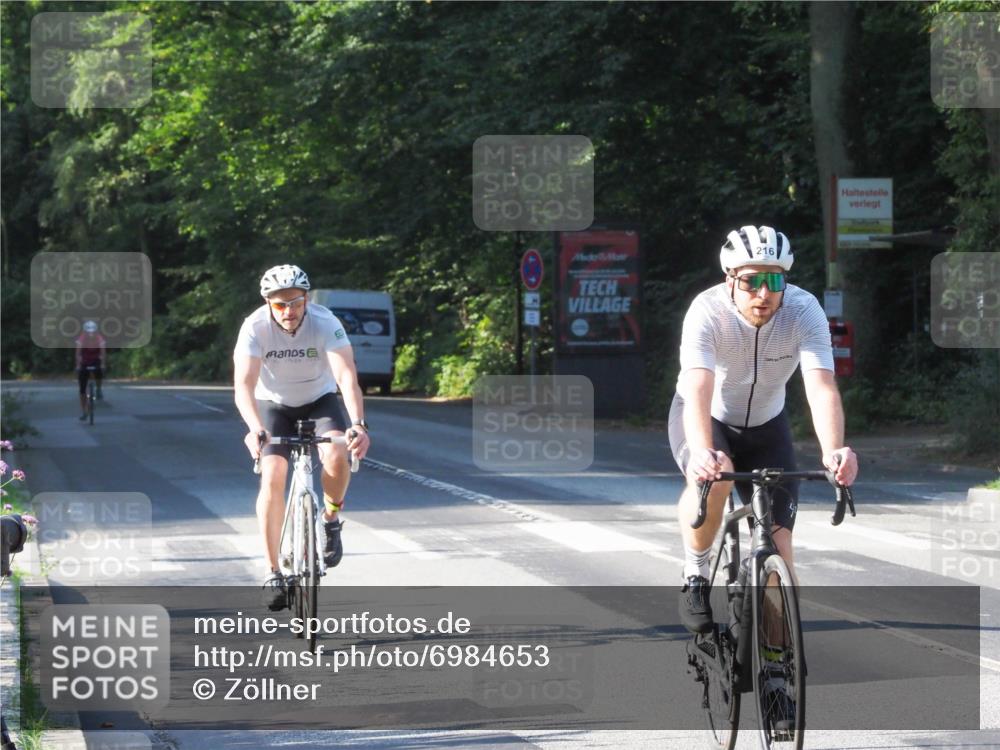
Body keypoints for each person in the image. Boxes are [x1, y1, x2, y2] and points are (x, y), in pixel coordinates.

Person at [669, 225, 858, 634]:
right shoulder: (707, 311)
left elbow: (821, 387)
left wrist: (835, 452)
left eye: (774, 281)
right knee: (714, 478)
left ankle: (777, 663)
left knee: (780, 548)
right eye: (751, 281)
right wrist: (703, 452)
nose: (763, 293)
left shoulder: (803, 310)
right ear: (729, 280)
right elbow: (698, 387)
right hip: (707, 417)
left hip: (767, 426)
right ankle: (695, 575)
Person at [233, 264, 371, 610]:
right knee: (274, 476)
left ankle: (330, 518)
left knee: (338, 453)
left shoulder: (326, 323)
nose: (289, 311)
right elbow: (244, 386)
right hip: (273, 405)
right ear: (267, 303)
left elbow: (346, 376)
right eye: (279, 305)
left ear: (306, 298)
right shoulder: (254, 327)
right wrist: (254, 428)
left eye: (295, 302)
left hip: (319, 401)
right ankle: (273, 571)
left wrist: (359, 424)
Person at [76, 320, 106, 419]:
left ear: (96, 331)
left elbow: (103, 352)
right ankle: (84, 412)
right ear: (85, 331)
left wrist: (102, 364)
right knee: (82, 389)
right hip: (84, 362)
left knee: (100, 372)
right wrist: (78, 365)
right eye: (89, 332)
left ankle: (98, 388)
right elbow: (78, 353)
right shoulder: (82, 338)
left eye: (93, 331)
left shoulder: (99, 338)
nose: (91, 334)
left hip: (96, 360)